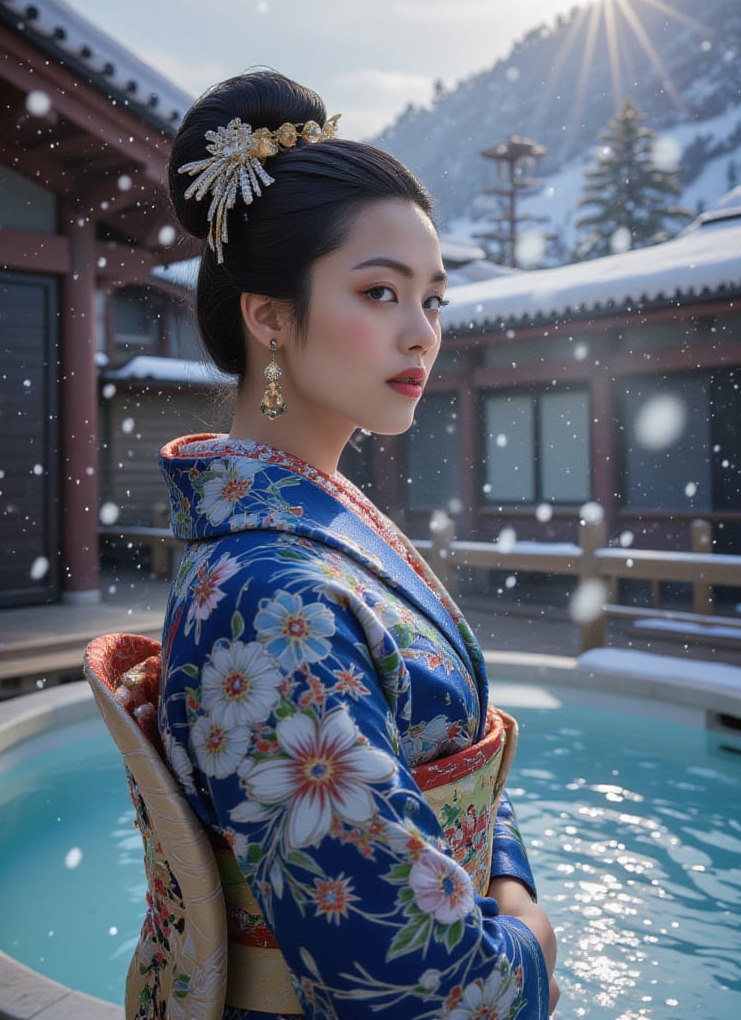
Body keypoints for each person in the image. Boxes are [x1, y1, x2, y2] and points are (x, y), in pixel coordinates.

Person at [148, 69, 559, 1018]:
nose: (422, 335)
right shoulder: (268, 595)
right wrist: (532, 934)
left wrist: (501, 874)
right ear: (270, 316)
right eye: (380, 292)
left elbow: (451, 764)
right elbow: (415, 991)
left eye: (434, 301)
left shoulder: (315, 537)